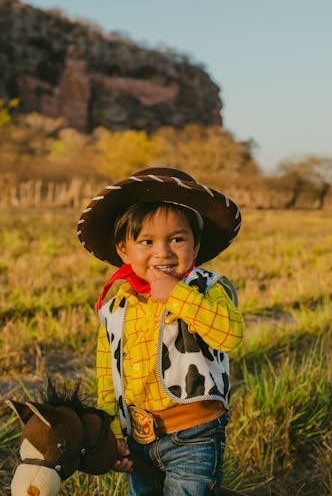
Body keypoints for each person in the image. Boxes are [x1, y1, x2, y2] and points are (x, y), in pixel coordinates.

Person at [76, 167, 244, 495]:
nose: (163, 252)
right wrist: (113, 433)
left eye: (177, 239)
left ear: (195, 248)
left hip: (194, 434)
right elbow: (108, 377)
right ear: (124, 251)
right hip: (137, 436)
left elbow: (229, 336)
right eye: (146, 241)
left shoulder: (207, 288)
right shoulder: (115, 309)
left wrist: (178, 295)